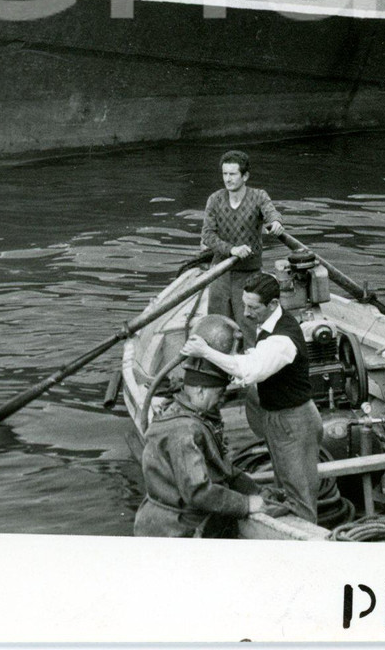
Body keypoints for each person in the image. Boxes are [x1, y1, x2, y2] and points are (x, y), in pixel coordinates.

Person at [182, 271, 323, 523]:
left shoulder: (282, 339)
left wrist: (206, 352)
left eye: (252, 307)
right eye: (244, 304)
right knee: (284, 488)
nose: (245, 313)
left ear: (273, 305)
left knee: (301, 501)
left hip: (295, 421)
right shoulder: (268, 326)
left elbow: (250, 370)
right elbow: (258, 359)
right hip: (277, 416)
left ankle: (304, 543)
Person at [133, 338, 265, 538]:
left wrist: (257, 491)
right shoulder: (185, 431)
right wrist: (245, 504)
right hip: (178, 529)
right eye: (220, 393)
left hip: (160, 520)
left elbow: (224, 470)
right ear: (200, 390)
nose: (222, 400)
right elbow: (198, 492)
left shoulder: (182, 414)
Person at [201, 150, 284, 341]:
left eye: (232, 174)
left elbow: (271, 213)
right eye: (224, 174)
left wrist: (276, 222)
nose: (227, 179)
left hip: (249, 276)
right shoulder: (215, 199)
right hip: (220, 273)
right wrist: (232, 250)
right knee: (216, 327)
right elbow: (207, 235)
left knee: (247, 327)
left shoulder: (259, 197)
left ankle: (248, 363)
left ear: (245, 176)